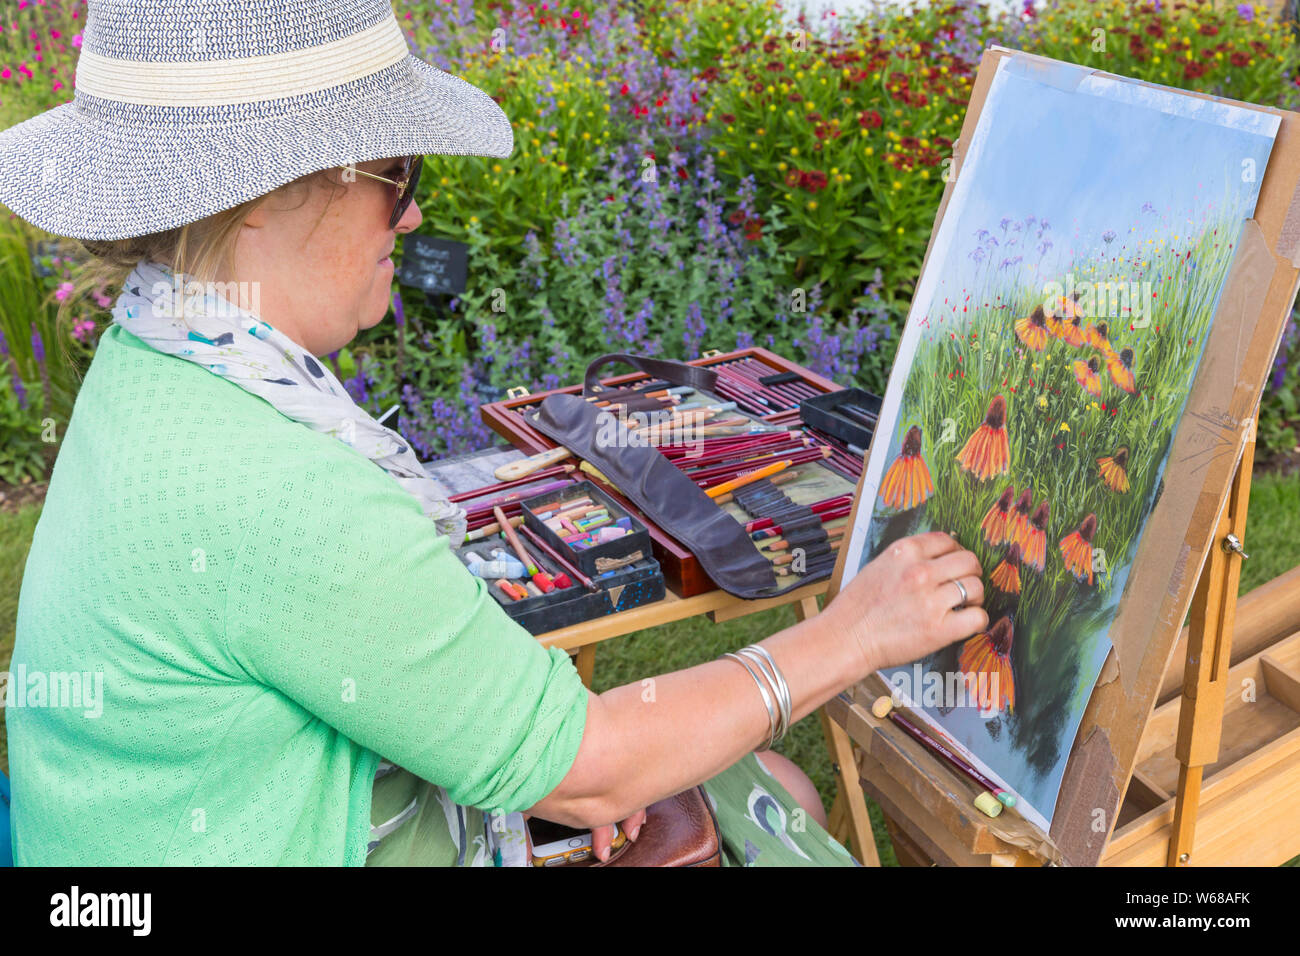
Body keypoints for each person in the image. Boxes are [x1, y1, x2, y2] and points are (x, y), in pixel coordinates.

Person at [0, 0, 987, 866]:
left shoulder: (157, 361)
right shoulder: (281, 492)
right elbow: (594, 771)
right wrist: (855, 631)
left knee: (763, 781)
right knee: (781, 802)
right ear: (263, 192)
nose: (415, 207)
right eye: (396, 169)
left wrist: (543, 753)